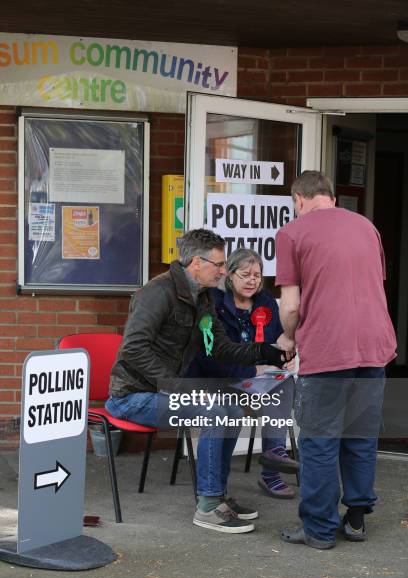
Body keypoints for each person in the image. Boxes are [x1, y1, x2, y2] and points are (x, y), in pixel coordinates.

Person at [106, 228, 292, 534]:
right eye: (219, 265)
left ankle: (217, 497)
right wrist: (175, 386)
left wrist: (266, 352)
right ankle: (206, 506)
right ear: (196, 262)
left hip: (163, 392)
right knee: (214, 411)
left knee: (232, 411)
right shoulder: (158, 292)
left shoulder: (203, 297)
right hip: (133, 396)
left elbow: (219, 347)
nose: (222, 271)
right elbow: (133, 348)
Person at [275, 170, 397, 549]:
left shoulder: (292, 233)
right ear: (330, 195)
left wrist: (289, 337)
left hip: (329, 349)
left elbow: (291, 306)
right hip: (374, 346)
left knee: (319, 440)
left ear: (298, 199)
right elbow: (372, 285)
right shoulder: (367, 227)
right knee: (359, 435)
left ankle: (319, 528)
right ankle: (356, 518)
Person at [189, 248, 299, 499]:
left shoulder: (266, 302)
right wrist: (254, 369)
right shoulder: (212, 302)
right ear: (229, 275)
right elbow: (210, 357)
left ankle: (273, 462)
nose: (252, 280)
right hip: (216, 380)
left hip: (254, 380)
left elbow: (276, 343)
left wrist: (284, 358)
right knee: (234, 406)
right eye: (246, 274)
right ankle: (217, 487)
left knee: (283, 384)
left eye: (258, 275)